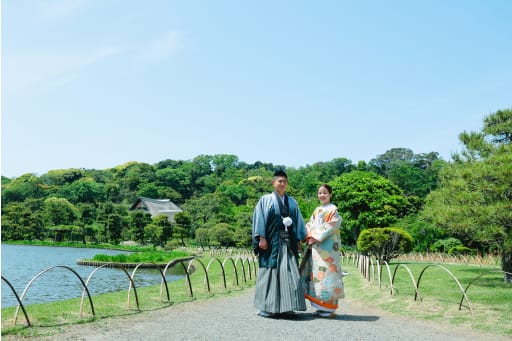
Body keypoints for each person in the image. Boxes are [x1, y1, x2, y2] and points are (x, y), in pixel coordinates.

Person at [252, 170, 307, 317]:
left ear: (287, 184)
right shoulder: (265, 200)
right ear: (273, 182)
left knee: (290, 273)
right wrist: (261, 238)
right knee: (269, 273)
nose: (282, 183)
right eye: (279, 181)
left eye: (284, 181)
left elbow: (298, 221)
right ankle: (266, 307)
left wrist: (298, 240)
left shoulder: (292, 202)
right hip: (271, 243)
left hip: (288, 243)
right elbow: (259, 219)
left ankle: (288, 307)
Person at [301, 183, 345, 318]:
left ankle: (329, 308)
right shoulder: (317, 210)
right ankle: (320, 307)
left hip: (328, 248)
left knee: (329, 274)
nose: (322, 195)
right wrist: (308, 234)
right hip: (316, 249)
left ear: (330, 194)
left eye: (325, 192)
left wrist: (315, 236)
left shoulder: (333, 210)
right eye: (320, 193)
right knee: (317, 275)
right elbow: (309, 224)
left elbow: (331, 226)